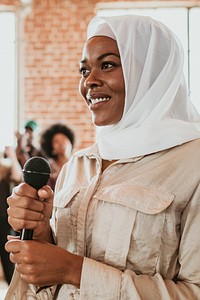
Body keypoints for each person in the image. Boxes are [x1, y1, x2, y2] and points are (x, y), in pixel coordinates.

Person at [5, 14, 200, 299]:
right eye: (84, 70)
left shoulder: (192, 163)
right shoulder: (80, 165)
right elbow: (59, 266)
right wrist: (42, 234)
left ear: (150, 75)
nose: (90, 82)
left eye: (107, 65)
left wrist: (75, 270)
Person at [0, 146, 22, 284]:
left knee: (9, 261)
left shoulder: (7, 167)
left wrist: (12, 154)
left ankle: (13, 288)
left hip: (4, 220)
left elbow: (18, 176)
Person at [40, 123, 75, 190]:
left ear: (70, 142)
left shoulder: (80, 162)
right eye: (56, 141)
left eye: (63, 138)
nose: (61, 142)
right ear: (52, 148)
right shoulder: (49, 168)